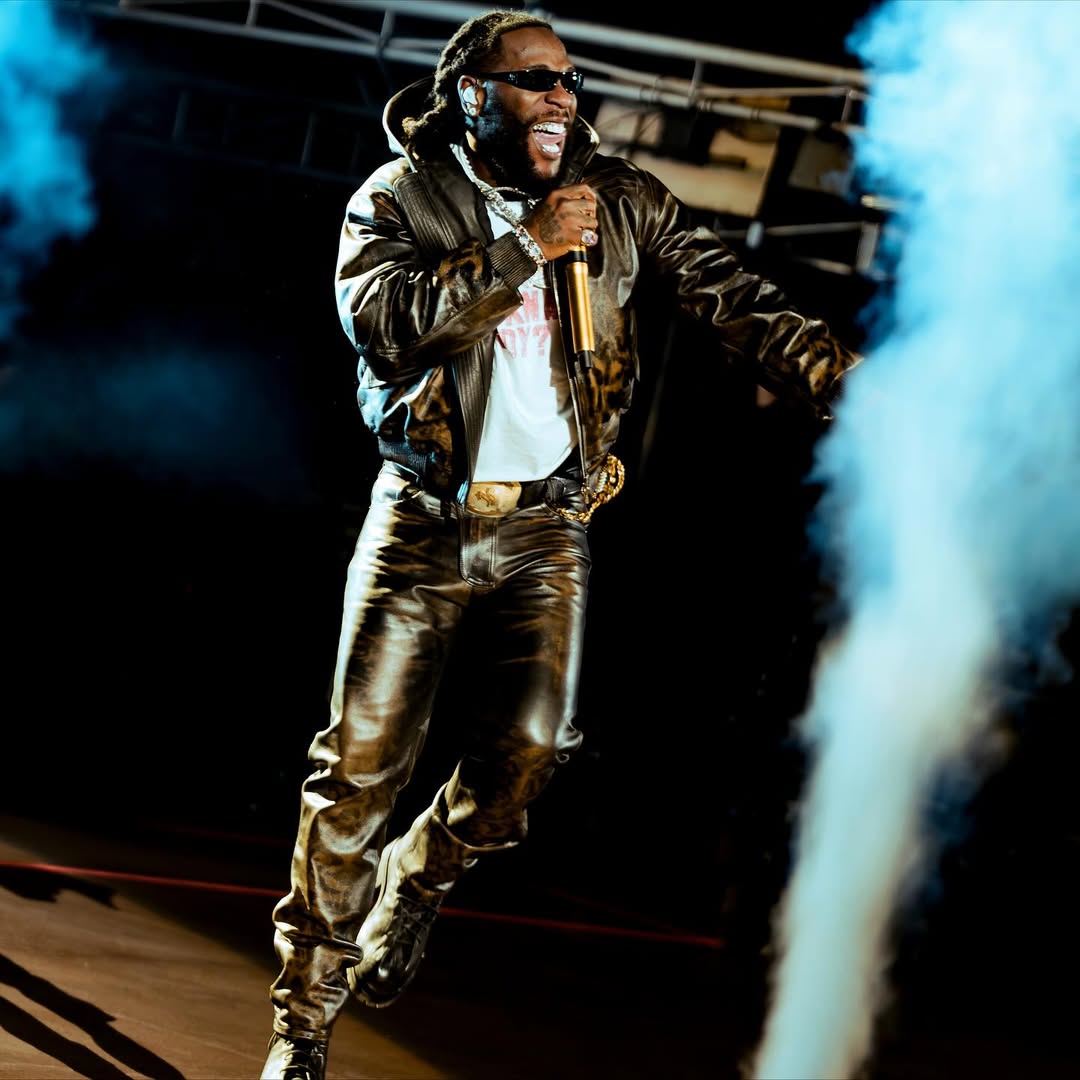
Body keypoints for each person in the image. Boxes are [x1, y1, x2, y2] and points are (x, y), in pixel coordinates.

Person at [261, 9, 863, 1079]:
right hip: (422, 519)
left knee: (529, 758)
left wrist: (838, 375)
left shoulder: (616, 202)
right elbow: (390, 326)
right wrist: (520, 250)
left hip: (548, 526)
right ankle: (302, 1028)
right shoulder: (397, 200)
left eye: (569, 78)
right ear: (470, 92)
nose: (560, 96)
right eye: (533, 78)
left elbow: (731, 293)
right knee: (354, 772)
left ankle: (423, 871)